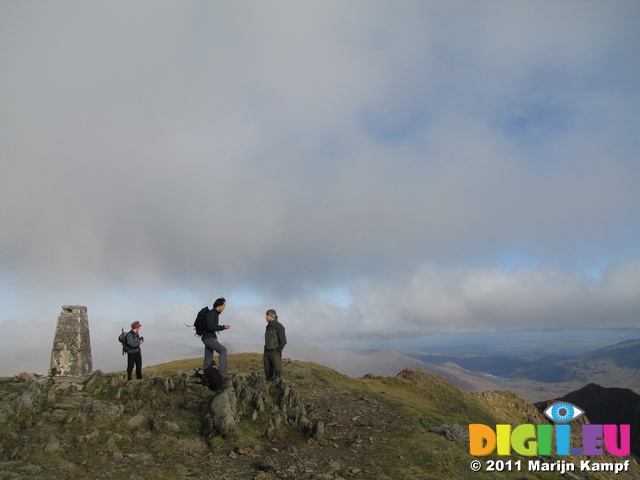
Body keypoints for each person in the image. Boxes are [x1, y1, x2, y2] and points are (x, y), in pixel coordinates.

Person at [202, 297, 231, 378]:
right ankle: (223, 373)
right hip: (209, 338)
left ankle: (206, 372)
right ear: (220, 305)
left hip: (207, 338)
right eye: (224, 305)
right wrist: (223, 327)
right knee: (223, 350)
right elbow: (210, 327)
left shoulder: (214, 313)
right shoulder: (212, 314)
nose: (224, 307)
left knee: (209, 355)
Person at [263, 309, 286, 381]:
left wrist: (278, 351)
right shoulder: (268, 327)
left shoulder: (279, 327)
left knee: (277, 372)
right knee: (267, 371)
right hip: (267, 352)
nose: (266, 316)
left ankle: (277, 388)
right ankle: (268, 386)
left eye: (267, 315)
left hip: (275, 352)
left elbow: (283, 341)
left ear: (272, 316)